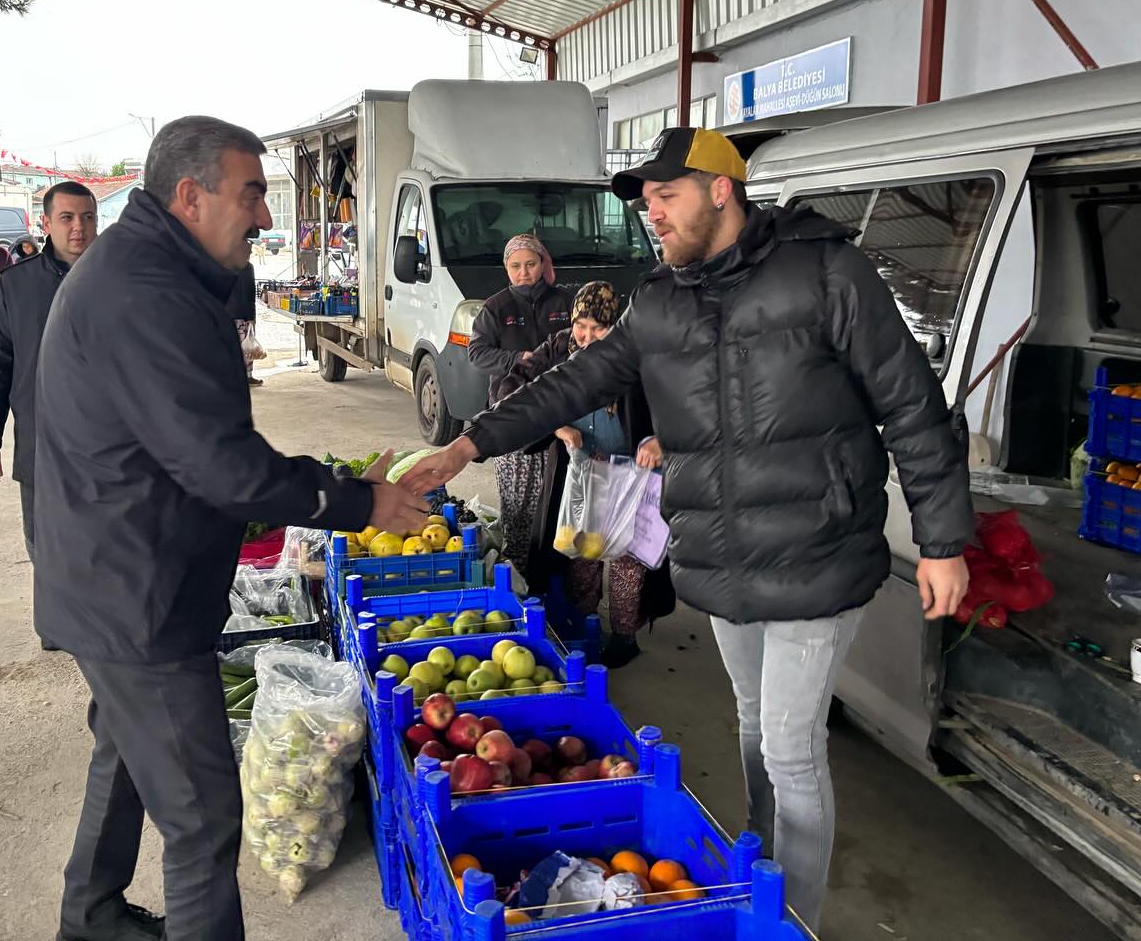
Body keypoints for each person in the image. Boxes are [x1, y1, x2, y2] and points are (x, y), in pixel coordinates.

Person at [399, 126, 973, 931]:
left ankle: (788, 919)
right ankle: (760, 873)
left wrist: (944, 541)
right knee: (751, 727)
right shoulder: (659, 302)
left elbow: (913, 405)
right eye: (646, 202)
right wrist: (469, 440)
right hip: (721, 555)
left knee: (790, 745)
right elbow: (574, 381)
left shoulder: (828, 274)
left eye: (665, 196)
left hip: (818, 548)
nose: (652, 215)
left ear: (720, 188)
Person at [32, 116, 429, 941]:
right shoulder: (146, 292)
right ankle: (95, 916)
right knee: (205, 818)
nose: (264, 217)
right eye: (251, 194)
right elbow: (223, 467)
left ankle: (91, 915)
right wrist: (358, 501)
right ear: (191, 195)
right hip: (138, 597)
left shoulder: (146, 270)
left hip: (114, 576)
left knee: (127, 758)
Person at [497, 280, 671, 669]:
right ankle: (586, 624)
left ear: (616, 326)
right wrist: (556, 427)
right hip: (582, 472)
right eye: (582, 326)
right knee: (583, 550)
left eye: (599, 329)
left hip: (632, 474)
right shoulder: (559, 348)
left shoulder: (636, 354)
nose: (588, 337)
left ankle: (625, 637)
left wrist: (659, 439)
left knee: (629, 557)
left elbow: (679, 400)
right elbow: (510, 389)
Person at [0, 181, 98, 568]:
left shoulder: (124, 280)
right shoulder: (16, 284)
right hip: (41, 445)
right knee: (47, 552)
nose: (78, 227)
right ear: (46, 223)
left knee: (111, 553)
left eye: (88, 217)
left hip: (111, 447)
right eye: (66, 218)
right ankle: (57, 629)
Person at [467, 233, 571, 578]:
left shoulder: (564, 301)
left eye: (530, 264)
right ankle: (519, 579)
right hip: (512, 416)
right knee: (517, 504)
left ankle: (553, 577)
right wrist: (519, 359)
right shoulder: (495, 308)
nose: (524, 272)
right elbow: (477, 353)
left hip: (560, 415)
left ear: (543, 264)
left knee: (556, 499)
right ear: (506, 269)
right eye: (516, 266)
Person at [227, 258, 263, 387]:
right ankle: (242, 377)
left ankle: (244, 377)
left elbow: (250, 293)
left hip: (237, 313)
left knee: (245, 346)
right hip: (237, 313)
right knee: (242, 347)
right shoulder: (246, 267)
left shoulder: (246, 267)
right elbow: (250, 293)